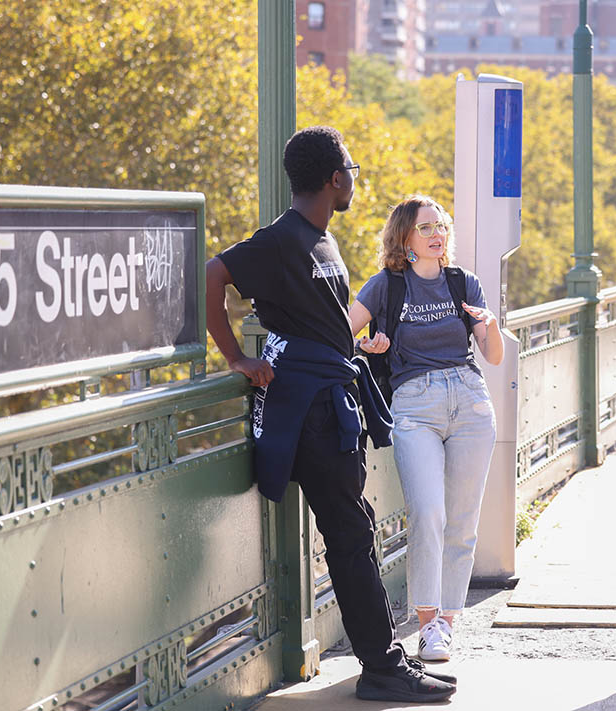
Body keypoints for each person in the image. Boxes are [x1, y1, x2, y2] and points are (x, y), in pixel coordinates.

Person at [203, 126, 456, 703]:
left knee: (353, 530)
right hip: (310, 410)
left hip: (331, 400)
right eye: (351, 170)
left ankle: (383, 664)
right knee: (349, 532)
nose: (354, 181)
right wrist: (238, 358)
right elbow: (213, 275)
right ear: (333, 178)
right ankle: (383, 669)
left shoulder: (322, 239)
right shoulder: (284, 238)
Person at [347, 195, 503, 664]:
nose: (438, 234)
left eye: (442, 225)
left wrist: (491, 325)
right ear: (405, 238)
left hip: (471, 402)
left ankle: (445, 626)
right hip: (414, 405)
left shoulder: (463, 283)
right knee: (428, 513)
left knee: (462, 519)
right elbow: (341, 331)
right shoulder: (384, 287)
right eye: (426, 227)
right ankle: (425, 620)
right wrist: (367, 344)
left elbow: (492, 356)